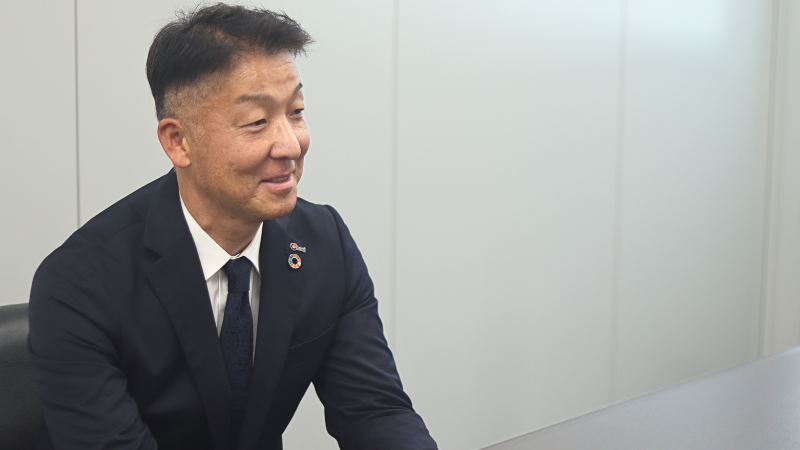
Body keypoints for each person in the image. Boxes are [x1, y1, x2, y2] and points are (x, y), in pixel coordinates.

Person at [27, 4, 437, 450]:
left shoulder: (325, 242)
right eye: (257, 122)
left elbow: (375, 410)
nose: (291, 144)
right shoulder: (80, 283)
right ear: (178, 141)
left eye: (296, 111)